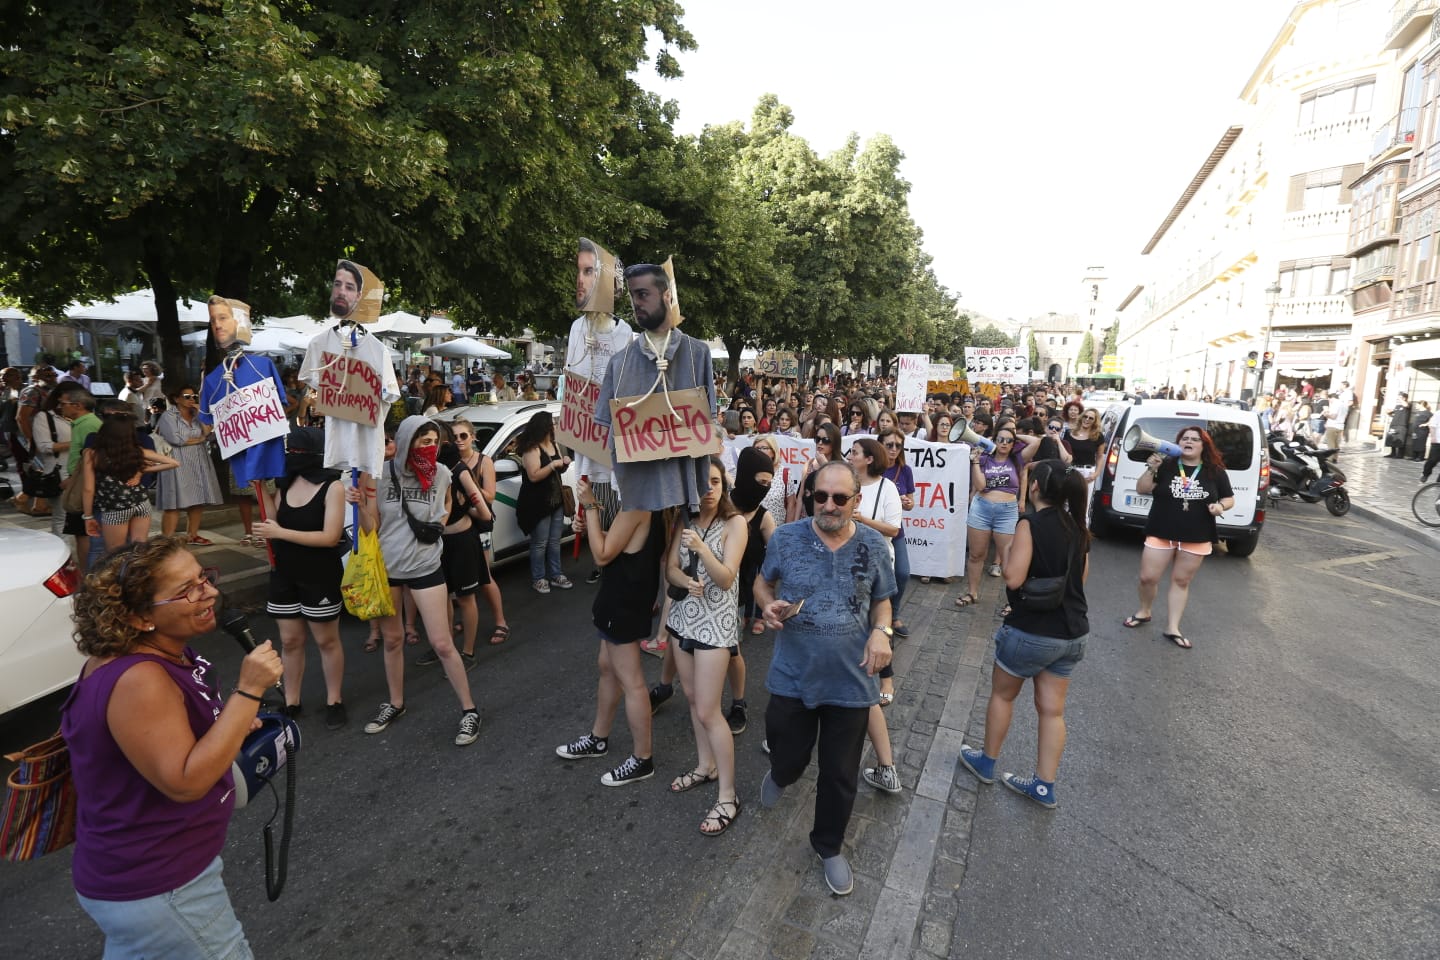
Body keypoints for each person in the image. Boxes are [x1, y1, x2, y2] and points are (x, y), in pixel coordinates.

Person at [62, 537, 284, 958]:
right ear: (140, 616)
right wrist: (249, 691)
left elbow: (170, 735)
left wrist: (230, 723)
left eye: (204, 577)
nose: (211, 592)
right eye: (188, 590)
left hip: (147, 880)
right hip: (161, 886)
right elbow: (185, 782)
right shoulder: (138, 679)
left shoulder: (161, 652)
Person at [754, 459, 895, 896]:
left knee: (839, 773)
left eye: (839, 498)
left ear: (856, 501)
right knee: (790, 755)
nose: (828, 505)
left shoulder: (873, 545)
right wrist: (766, 605)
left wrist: (881, 632)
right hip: (793, 676)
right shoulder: (786, 537)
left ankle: (828, 845)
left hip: (850, 682)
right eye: (820, 496)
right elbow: (763, 583)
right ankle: (780, 773)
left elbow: (883, 602)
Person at [958, 461, 1091, 810]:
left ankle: (986, 762)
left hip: (1031, 629)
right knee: (1052, 711)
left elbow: (1013, 578)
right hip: (1072, 633)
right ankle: (1044, 786)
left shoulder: (1030, 523)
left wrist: (1009, 553)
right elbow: (1081, 580)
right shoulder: (1078, 526)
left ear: (1034, 489)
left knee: (1003, 696)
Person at [348, 416, 483, 745]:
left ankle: (470, 711)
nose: (429, 447)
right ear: (407, 441)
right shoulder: (381, 475)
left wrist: (441, 518)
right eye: (422, 441)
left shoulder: (441, 474)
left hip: (425, 567)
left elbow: (449, 501)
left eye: (433, 441)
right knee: (392, 641)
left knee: (441, 643)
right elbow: (372, 528)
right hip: (390, 569)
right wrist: (360, 506)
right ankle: (395, 703)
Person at [663, 457, 747, 835]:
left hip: (716, 627)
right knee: (694, 701)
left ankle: (728, 795)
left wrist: (701, 548)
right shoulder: (683, 520)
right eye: (701, 483)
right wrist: (683, 577)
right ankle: (705, 766)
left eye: (714, 481)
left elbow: (727, 578)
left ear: (724, 485)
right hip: (683, 621)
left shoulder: (735, 523)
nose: (708, 489)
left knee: (711, 711)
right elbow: (669, 569)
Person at [559, 497, 666, 787]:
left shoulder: (638, 504)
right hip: (623, 597)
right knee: (607, 667)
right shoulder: (648, 502)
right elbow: (622, 544)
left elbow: (602, 555)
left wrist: (591, 508)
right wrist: (593, 526)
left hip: (624, 600)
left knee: (631, 681)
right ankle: (599, 738)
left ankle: (643, 758)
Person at [254, 426, 349, 729]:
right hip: (285, 572)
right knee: (290, 640)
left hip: (319, 574)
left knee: (326, 640)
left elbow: (330, 537)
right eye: (289, 451)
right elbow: (274, 520)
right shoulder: (285, 484)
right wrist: (262, 490)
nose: (291, 457)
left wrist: (279, 533)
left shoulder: (334, 487)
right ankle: (291, 700)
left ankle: (335, 699)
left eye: (297, 452)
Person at [1123, 426, 1235, 649]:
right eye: (1185, 438)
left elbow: (1229, 498)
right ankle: (1144, 611)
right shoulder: (1166, 465)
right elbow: (1142, 489)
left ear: (1204, 446)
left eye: (1195, 439)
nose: (1189, 442)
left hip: (1197, 535)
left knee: (1181, 581)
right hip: (1161, 530)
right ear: (1178, 443)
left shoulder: (1215, 471)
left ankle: (1172, 627)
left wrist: (1220, 506)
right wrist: (1150, 469)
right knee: (1148, 578)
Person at [956, 425, 1042, 610]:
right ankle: (972, 592)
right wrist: (976, 462)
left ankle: (1012, 601)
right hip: (981, 509)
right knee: (976, 555)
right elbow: (979, 486)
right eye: (1000, 439)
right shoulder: (984, 458)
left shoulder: (1017, 459)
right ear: (993, 441)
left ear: (1014, 444)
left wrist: (1013, 433)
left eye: (1008, 441)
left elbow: (1036, 441)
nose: (1004, 443)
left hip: (1006, 511)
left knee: (1008, 558)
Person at [81, 414, 178, 551]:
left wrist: (88, 516)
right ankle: (140, 572)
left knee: (117, 553)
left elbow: (88, 489)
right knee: (139, 550)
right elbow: (173, 463)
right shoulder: (137, 451)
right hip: (141, 503)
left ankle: (123, 573)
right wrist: (144, 470)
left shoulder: (92, 454)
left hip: (115, 508)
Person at [155, 384, 223, 544]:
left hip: (198, 459)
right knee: (173, 502)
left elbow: (208, 433)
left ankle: (193, 534)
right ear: (176, 399)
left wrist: (200, 414)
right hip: (176, 460)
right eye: (187, 397)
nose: (191, 399)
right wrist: (199, 440)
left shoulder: (197, 415)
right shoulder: (168, 416)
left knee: (198, 499)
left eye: (194, 396)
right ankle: (166, 540)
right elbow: (176, 440)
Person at [516, 410, 573, 594]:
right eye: (553, 423)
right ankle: (538, 578)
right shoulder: (532, 448)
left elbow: (557, 472)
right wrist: (552, 465)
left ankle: (556, 574)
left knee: (555, 540)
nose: (556, 426)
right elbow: (533, 476)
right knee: (540, 542)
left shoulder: (553, 444)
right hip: (537, 503)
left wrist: (563, 464)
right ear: (545, 427)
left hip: (555, 501)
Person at [1386, 394, 1412, 458]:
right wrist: (1388, 412)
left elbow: (1406, 405)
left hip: (1401, 425)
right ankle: (1393, 453)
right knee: (1392, 439)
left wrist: (1401, 399)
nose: (1398, 399)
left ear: (1404, 398)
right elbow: (1393, 414)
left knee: (1400, 439)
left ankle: (1400, 454)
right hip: (1394, 424)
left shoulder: (1407, 404)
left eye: (1400, 397)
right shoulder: (1397, 406)